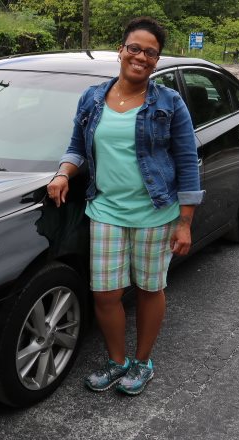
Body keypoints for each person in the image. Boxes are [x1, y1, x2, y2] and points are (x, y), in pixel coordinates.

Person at [46, 17, 204, 395]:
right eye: (135, 48)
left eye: (151, 52)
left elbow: (187, 162)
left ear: (156, 60)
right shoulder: (92, 98)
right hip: (105, 211)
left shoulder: (169, 102)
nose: (141, 57)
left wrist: (185, 222)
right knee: (105, 294)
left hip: (155, 213)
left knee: (150, 289)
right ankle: (117, 361)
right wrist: (64, 173)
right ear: (121, 51)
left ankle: (143, 362)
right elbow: (76, 146)